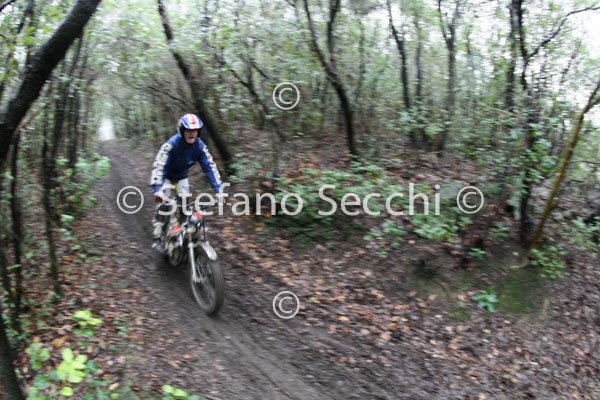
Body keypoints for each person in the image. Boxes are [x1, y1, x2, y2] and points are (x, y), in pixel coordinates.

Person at [150, 113, 225, 253]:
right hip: (165, 177)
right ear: (182, 130)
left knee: (185, 205)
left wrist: (219, 190)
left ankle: (183, 236)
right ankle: (158, 236)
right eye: (189, 130)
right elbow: (159, 165)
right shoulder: (171, 145)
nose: (192, 133)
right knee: (166, 204)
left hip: (181, 177)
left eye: (195, 130)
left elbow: (209, 166)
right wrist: (157, 189)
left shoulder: (199, 146)